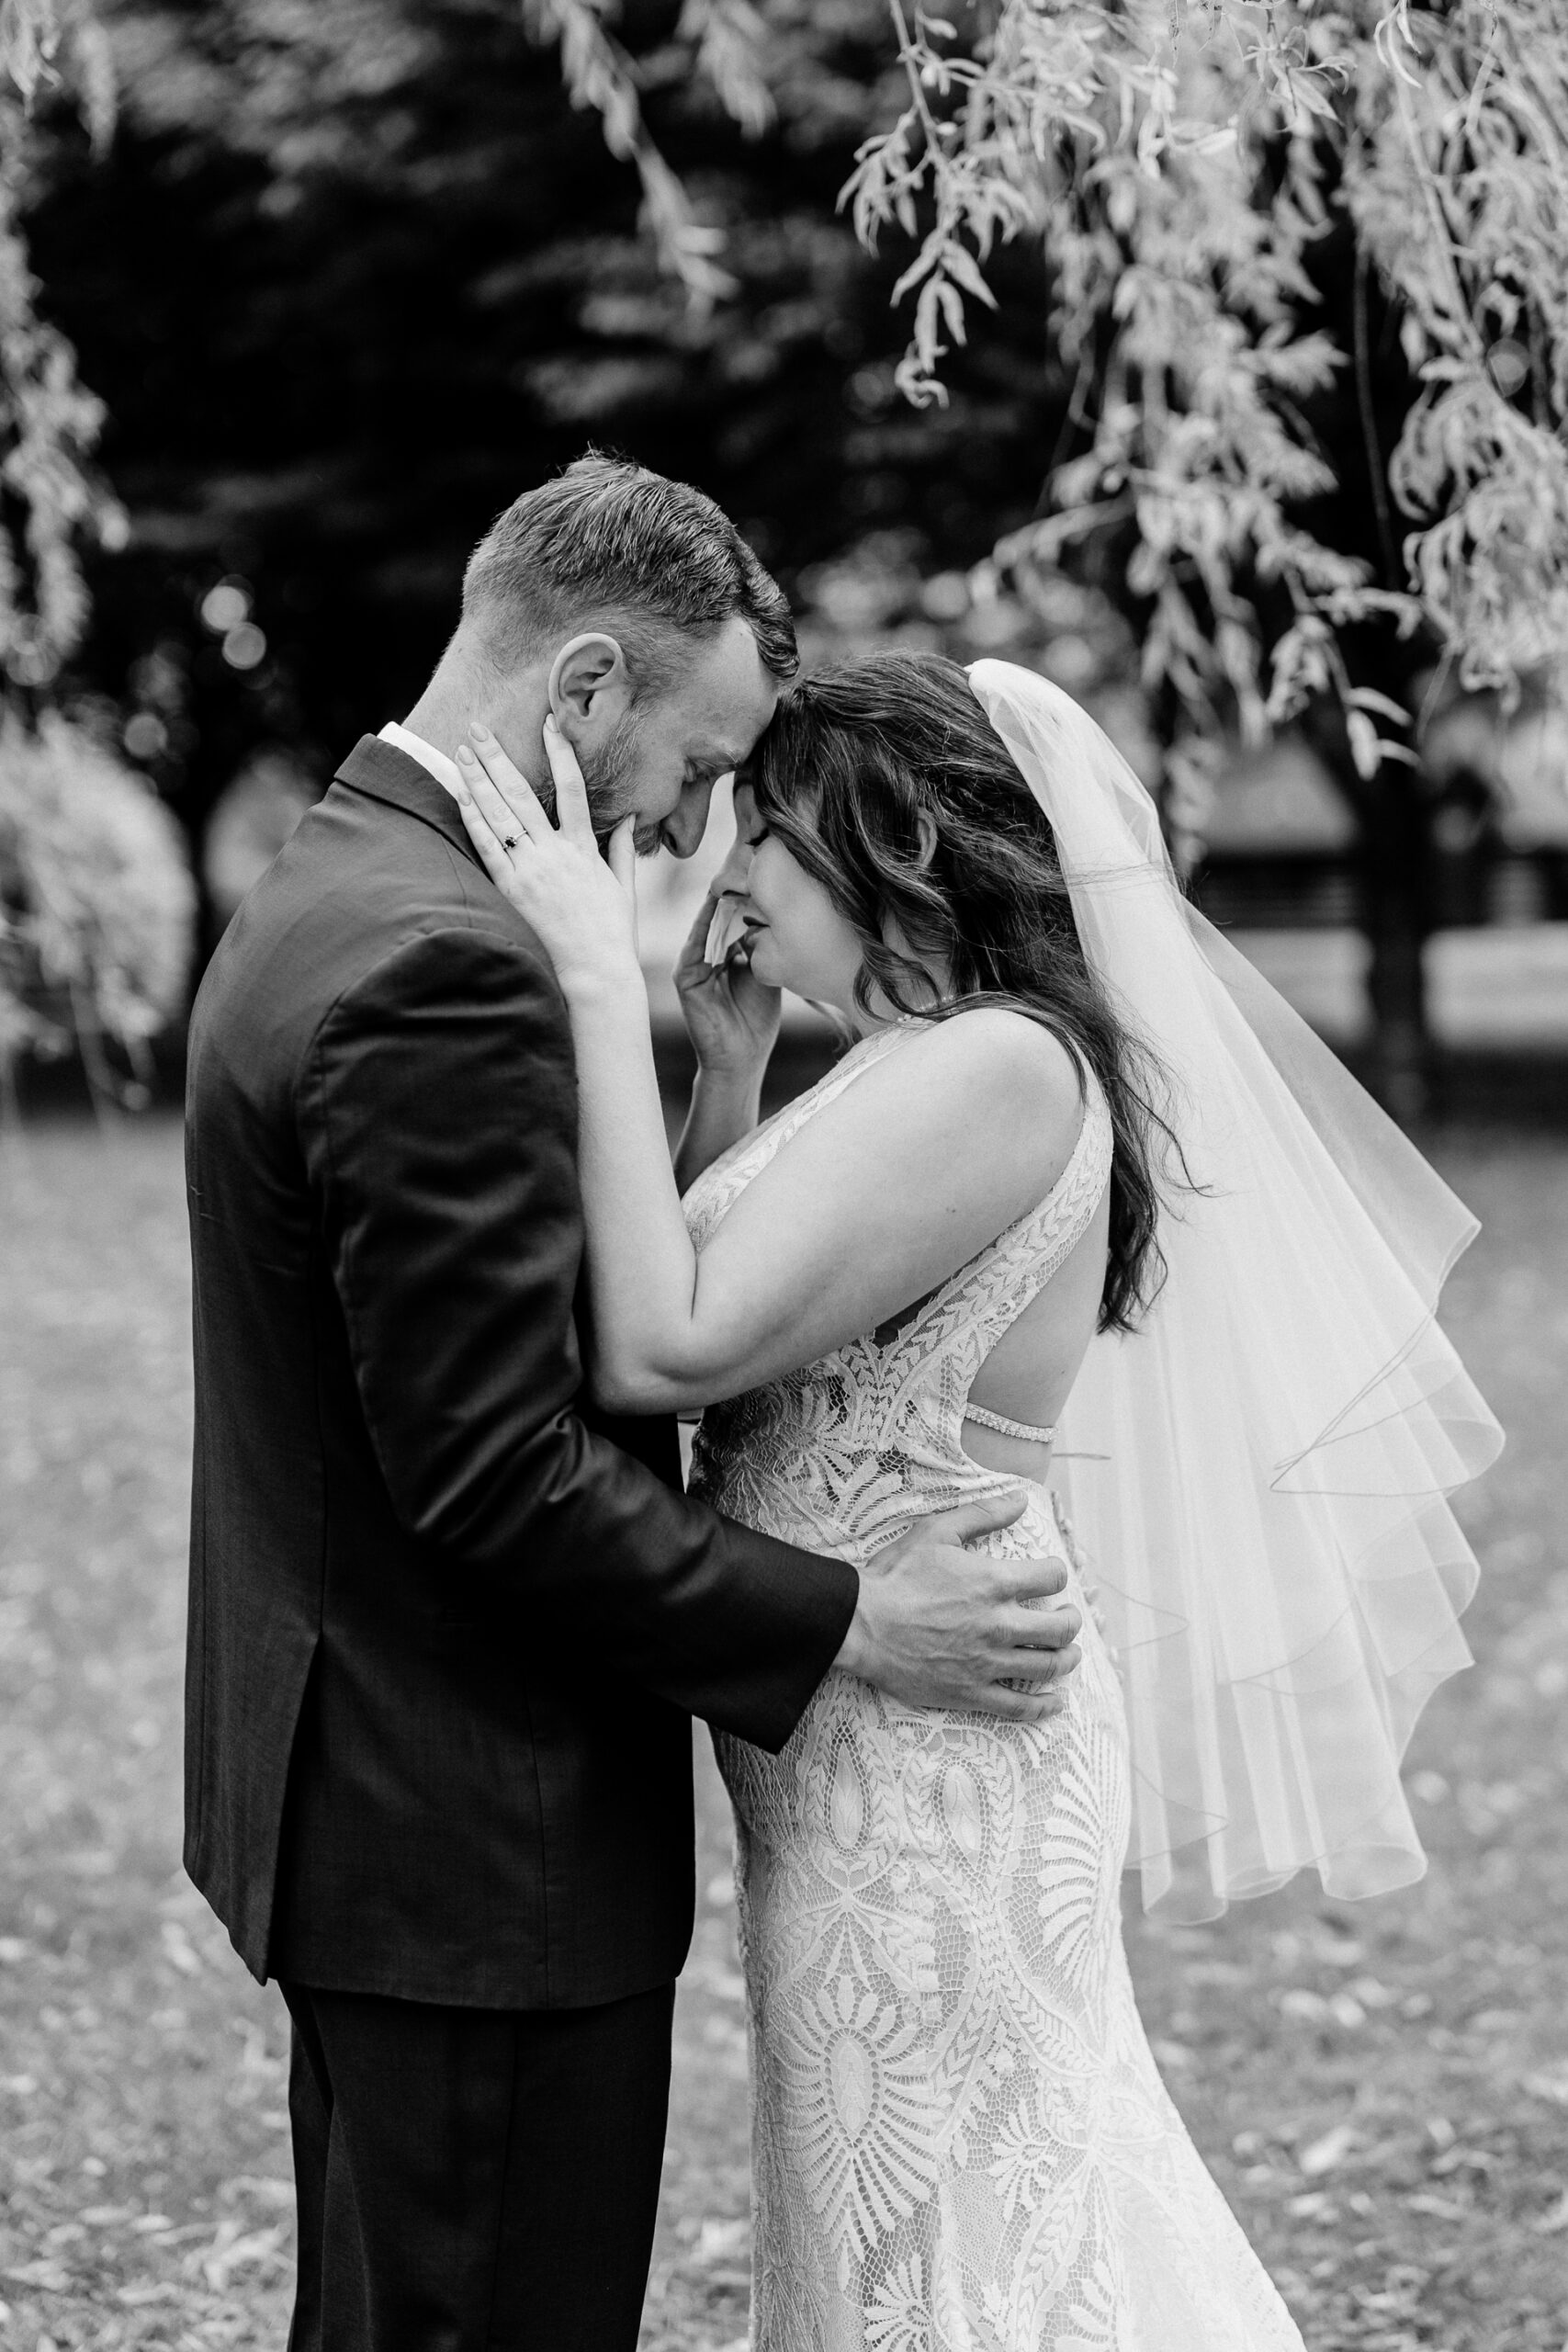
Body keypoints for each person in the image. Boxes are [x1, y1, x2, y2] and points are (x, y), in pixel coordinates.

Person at [454, 644, 1503, 2349]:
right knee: (931, 2224)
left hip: (933, 1772)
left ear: (900, 848)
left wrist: (594, 974)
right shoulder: (908, 1064)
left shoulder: (1002, 1070)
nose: (726, 877)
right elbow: (744, 1321)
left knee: (966, 2246)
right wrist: (722, 1065)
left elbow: (659, 1349)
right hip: (864, 1751)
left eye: (772, 838)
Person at [182, 464, 1087, 2352]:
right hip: (467, 1834)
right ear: (583, 686)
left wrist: (702, 1098)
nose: (693, 829)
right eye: (701, 763)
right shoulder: (450, 965)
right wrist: (854, 1620)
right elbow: (501, 1465)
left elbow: (545, 1333)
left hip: (384, 1807)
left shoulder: (346, 877)